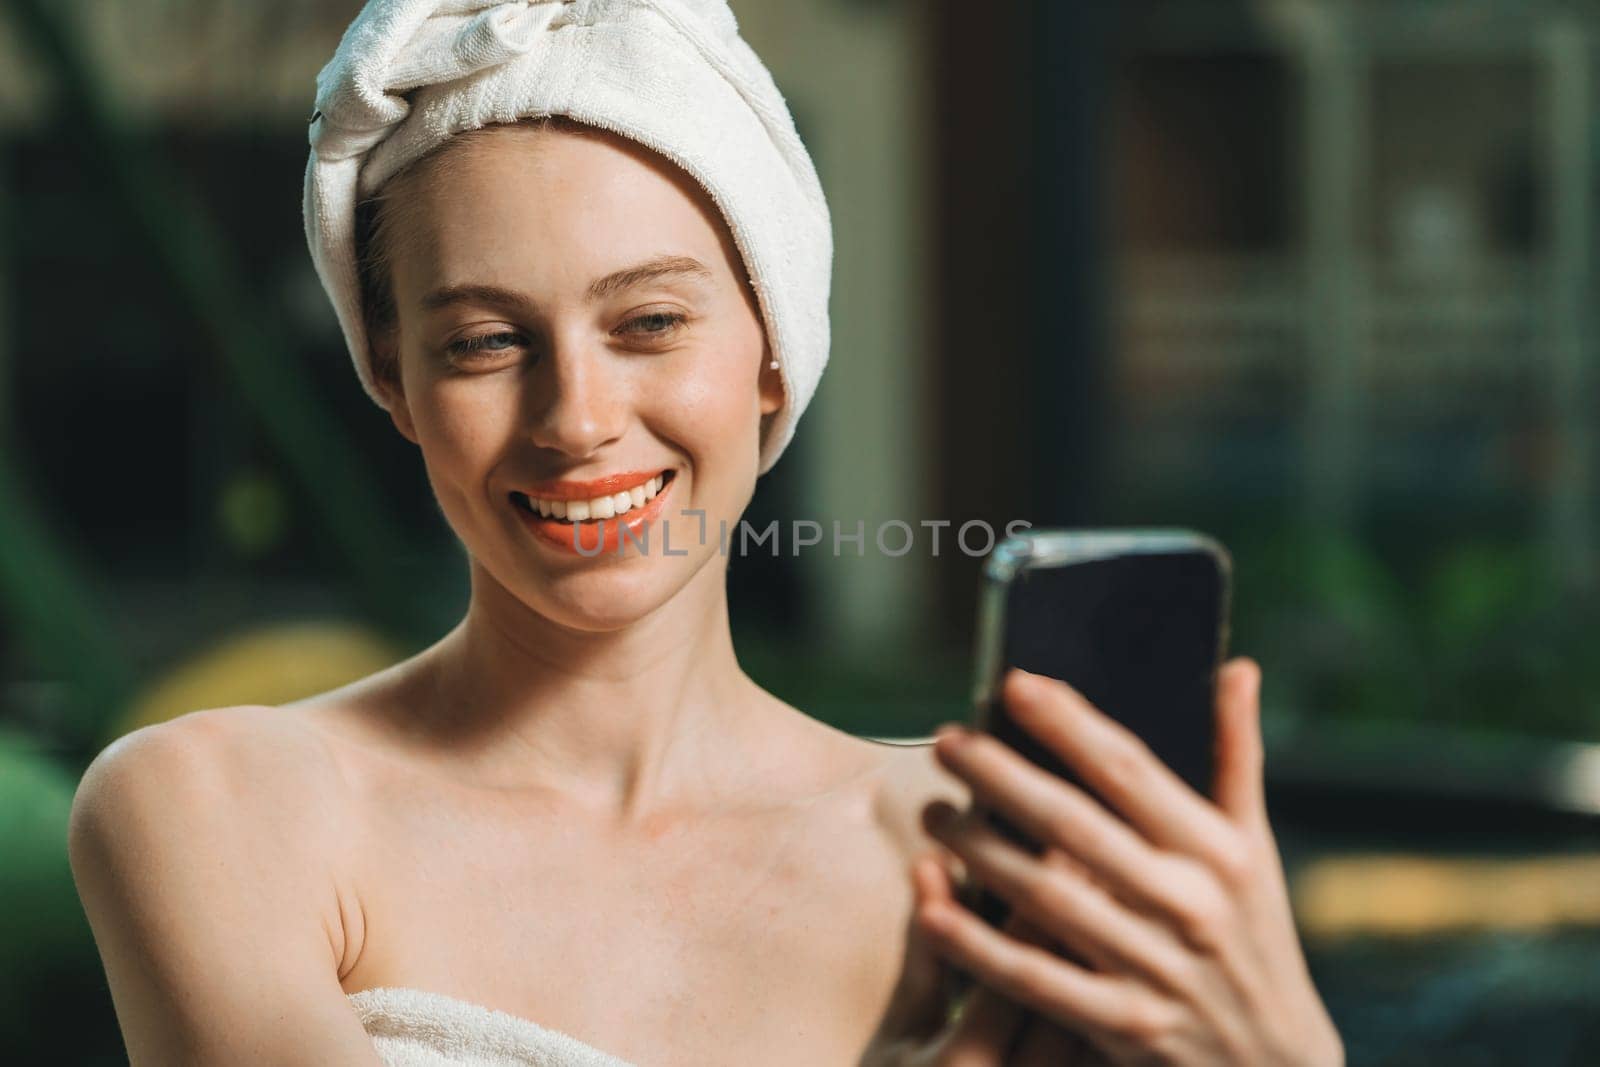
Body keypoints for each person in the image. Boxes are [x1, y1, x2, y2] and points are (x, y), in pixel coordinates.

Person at [66, 2, 1343, 1064]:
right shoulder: (219, 810)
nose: (577, 417)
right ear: (393, 382)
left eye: (649, 323)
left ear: (775, 354)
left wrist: (1283, 1050)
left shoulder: (974, 856)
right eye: (484, 341)